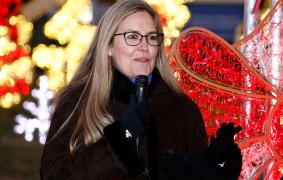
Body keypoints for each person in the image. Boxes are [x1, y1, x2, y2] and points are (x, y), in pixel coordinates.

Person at [40, 0, 242, 179]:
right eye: (132, 37)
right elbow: (54, 174)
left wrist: (215, 167)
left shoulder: (182, 109)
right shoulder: (79, 101)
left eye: (151, 37)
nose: (144, 46)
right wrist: (123, 138)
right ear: (109, 45)